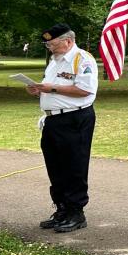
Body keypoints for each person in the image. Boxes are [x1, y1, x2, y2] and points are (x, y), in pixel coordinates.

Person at [26, 23, 98, 233]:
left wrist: (52, 88)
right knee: (55, 166)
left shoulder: (82, 59)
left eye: (52, 43)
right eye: (47, 43)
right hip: (53, 121)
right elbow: (52, 88)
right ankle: (62, 209)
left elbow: (85, 90)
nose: (48, 46)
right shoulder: (54, 61)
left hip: (75, 119)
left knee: (74, 166)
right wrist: (39, 91)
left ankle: (76, 213)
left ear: (68, 41)